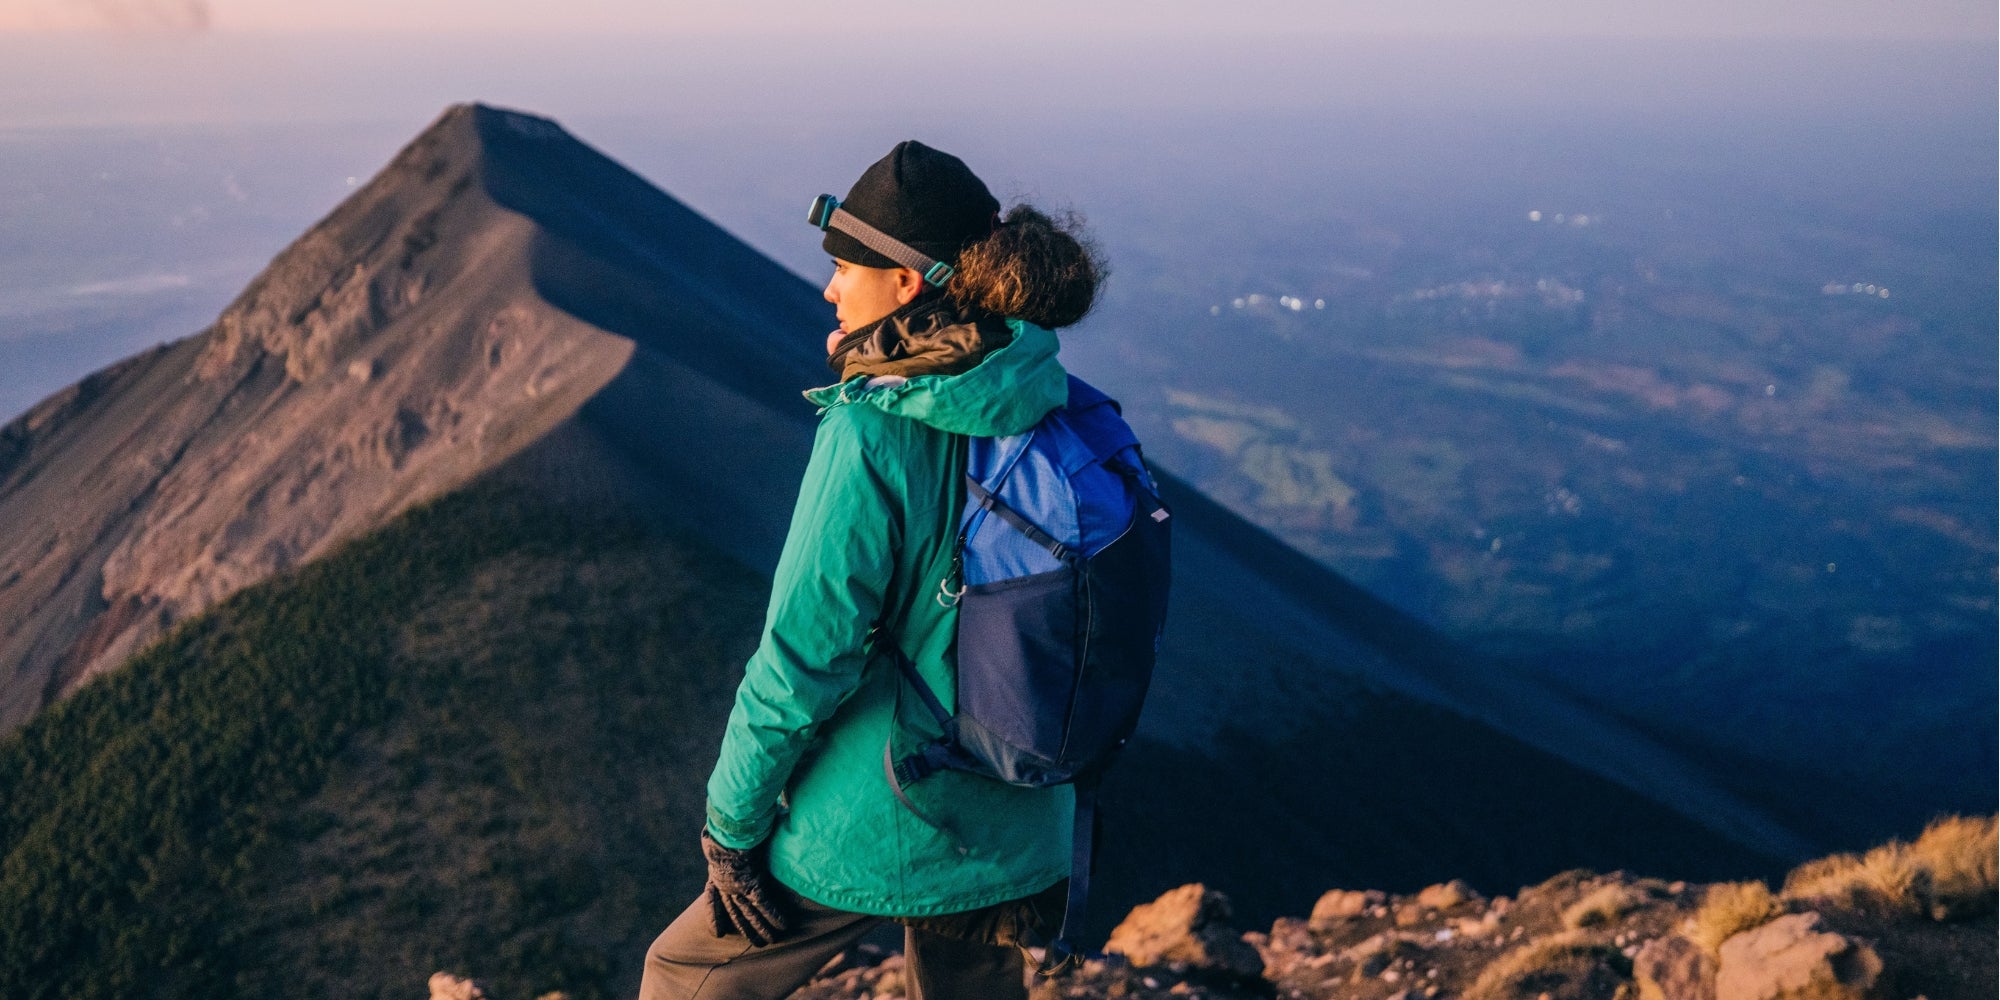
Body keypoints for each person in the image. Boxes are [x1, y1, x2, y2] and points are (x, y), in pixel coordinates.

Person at [638, 140, 1107, 1000]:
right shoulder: (1048, 394)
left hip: (895, 808)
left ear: (905, 283)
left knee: (683, 975)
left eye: (846, 268)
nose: (828, 288)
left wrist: (730, 829)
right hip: (1024, 802)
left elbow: (802, 657)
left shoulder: (874, 429)